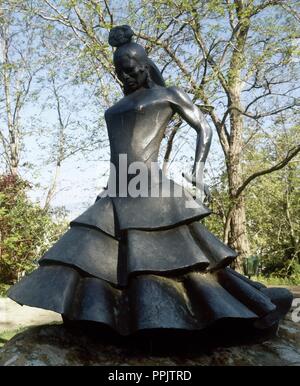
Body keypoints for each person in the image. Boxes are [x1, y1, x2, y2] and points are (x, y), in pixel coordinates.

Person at [8, 25, 292, 345]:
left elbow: (203, 127)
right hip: (116, 189)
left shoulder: (168, 95)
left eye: (130, 71)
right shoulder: (112, 109)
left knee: (179, 263)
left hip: (151, 186)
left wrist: (198, 170)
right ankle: (110, 321)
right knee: (94, 259)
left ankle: (227, 312)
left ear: (144, 67)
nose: (125, 78)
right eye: (120, 73)